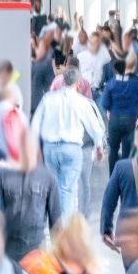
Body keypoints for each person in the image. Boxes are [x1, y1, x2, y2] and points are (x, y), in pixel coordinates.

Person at [32, 67, 106, 216]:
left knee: (52, 190)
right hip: (72, 150)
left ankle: (53, 227)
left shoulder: (48, 99)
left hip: (50, 149)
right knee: (67, 192)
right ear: (79, 84)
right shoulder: (82, 102)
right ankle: (63, 231)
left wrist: (36, 150)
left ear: (63, 81)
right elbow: (96, 129)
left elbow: (34, 126)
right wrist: (99, 147)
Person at [0, 133, 61, 264]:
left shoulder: (48, 178)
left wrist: (59, 258)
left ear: (37, 151)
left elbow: (56, 221)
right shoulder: (3, 176)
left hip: (37, 247)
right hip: (9, 244)